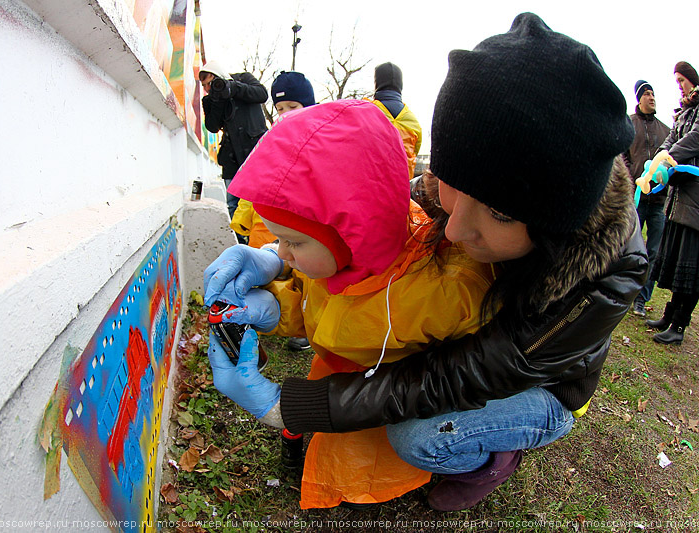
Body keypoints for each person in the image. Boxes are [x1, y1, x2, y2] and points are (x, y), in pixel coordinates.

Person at [204, 13, 646, 512]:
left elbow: (455, 376)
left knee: (419, 436)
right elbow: (372, 218)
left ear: (553, 227)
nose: (455, 230)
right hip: (472, 342)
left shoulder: (600, 281)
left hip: (541, 384)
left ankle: (495, 458)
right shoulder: (455, 191)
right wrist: (275, 256)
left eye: (498, 212)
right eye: (454, 183)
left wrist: (291, 406)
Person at [211, 98, 497, 508]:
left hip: (400, 396)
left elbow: (461, 378)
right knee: (341, 453)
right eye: (278, 240)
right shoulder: (340, 260)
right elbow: (326, 312)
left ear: (351, 230)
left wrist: (281, 406)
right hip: (348, 384)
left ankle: (487, 455)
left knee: (388, 453)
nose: (282, 253)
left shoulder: (443, 292)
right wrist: (273, 307)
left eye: (292, 242)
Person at [229, 71, 317, 352]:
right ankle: (268, 320)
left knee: (305, 276)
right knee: (268, 275)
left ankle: (304, 327)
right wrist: (242, 217)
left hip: (304, 223)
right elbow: (252, 181)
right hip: (266, 223)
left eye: (293, 107)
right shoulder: (270, 141)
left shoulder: (321, 140)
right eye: (280, 109)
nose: (285, 114)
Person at [645, 61, 699, 344]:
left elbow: (695, 138)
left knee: (692, 269)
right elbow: (670, 140)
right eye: (677, 81)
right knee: (677, 262)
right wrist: (660, 156)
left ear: (692, 79)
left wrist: (668, 157)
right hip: (679, 199)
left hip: (697, 202)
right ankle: (669, 316)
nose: (680, 86)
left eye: (682, 80)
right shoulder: (683, 112)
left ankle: (679, 326)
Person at [199, 61, 268, 222]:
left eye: (212, 82)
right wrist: (218, 99)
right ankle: (241, 241)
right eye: (205, 86)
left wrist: (232, 88)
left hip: (256, 153)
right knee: (233, 204)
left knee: (260, 200)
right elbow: (212, 126)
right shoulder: (209, 100)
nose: (209, 88)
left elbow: (262, 94)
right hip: (231, 158)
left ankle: (259, 239)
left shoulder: (243, 79)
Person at [623, 80, 671, 316]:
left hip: (659, 202)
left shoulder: (666, 130)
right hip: (636, 199)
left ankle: (641, 300)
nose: (652, 98)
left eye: (654, 94)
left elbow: (671, 159)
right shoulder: (628, 124)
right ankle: (620, 292)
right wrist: (633, 179)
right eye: (648, 94)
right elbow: (621, 157)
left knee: (653, 251)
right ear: (639, 98)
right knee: (628, 246)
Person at [369, 62, 423, 178]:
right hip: (402, 189)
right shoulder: (414, 122)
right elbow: (415, 152)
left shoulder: (364, 113)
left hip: (371, 188)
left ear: (376, 83)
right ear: (400, 85)